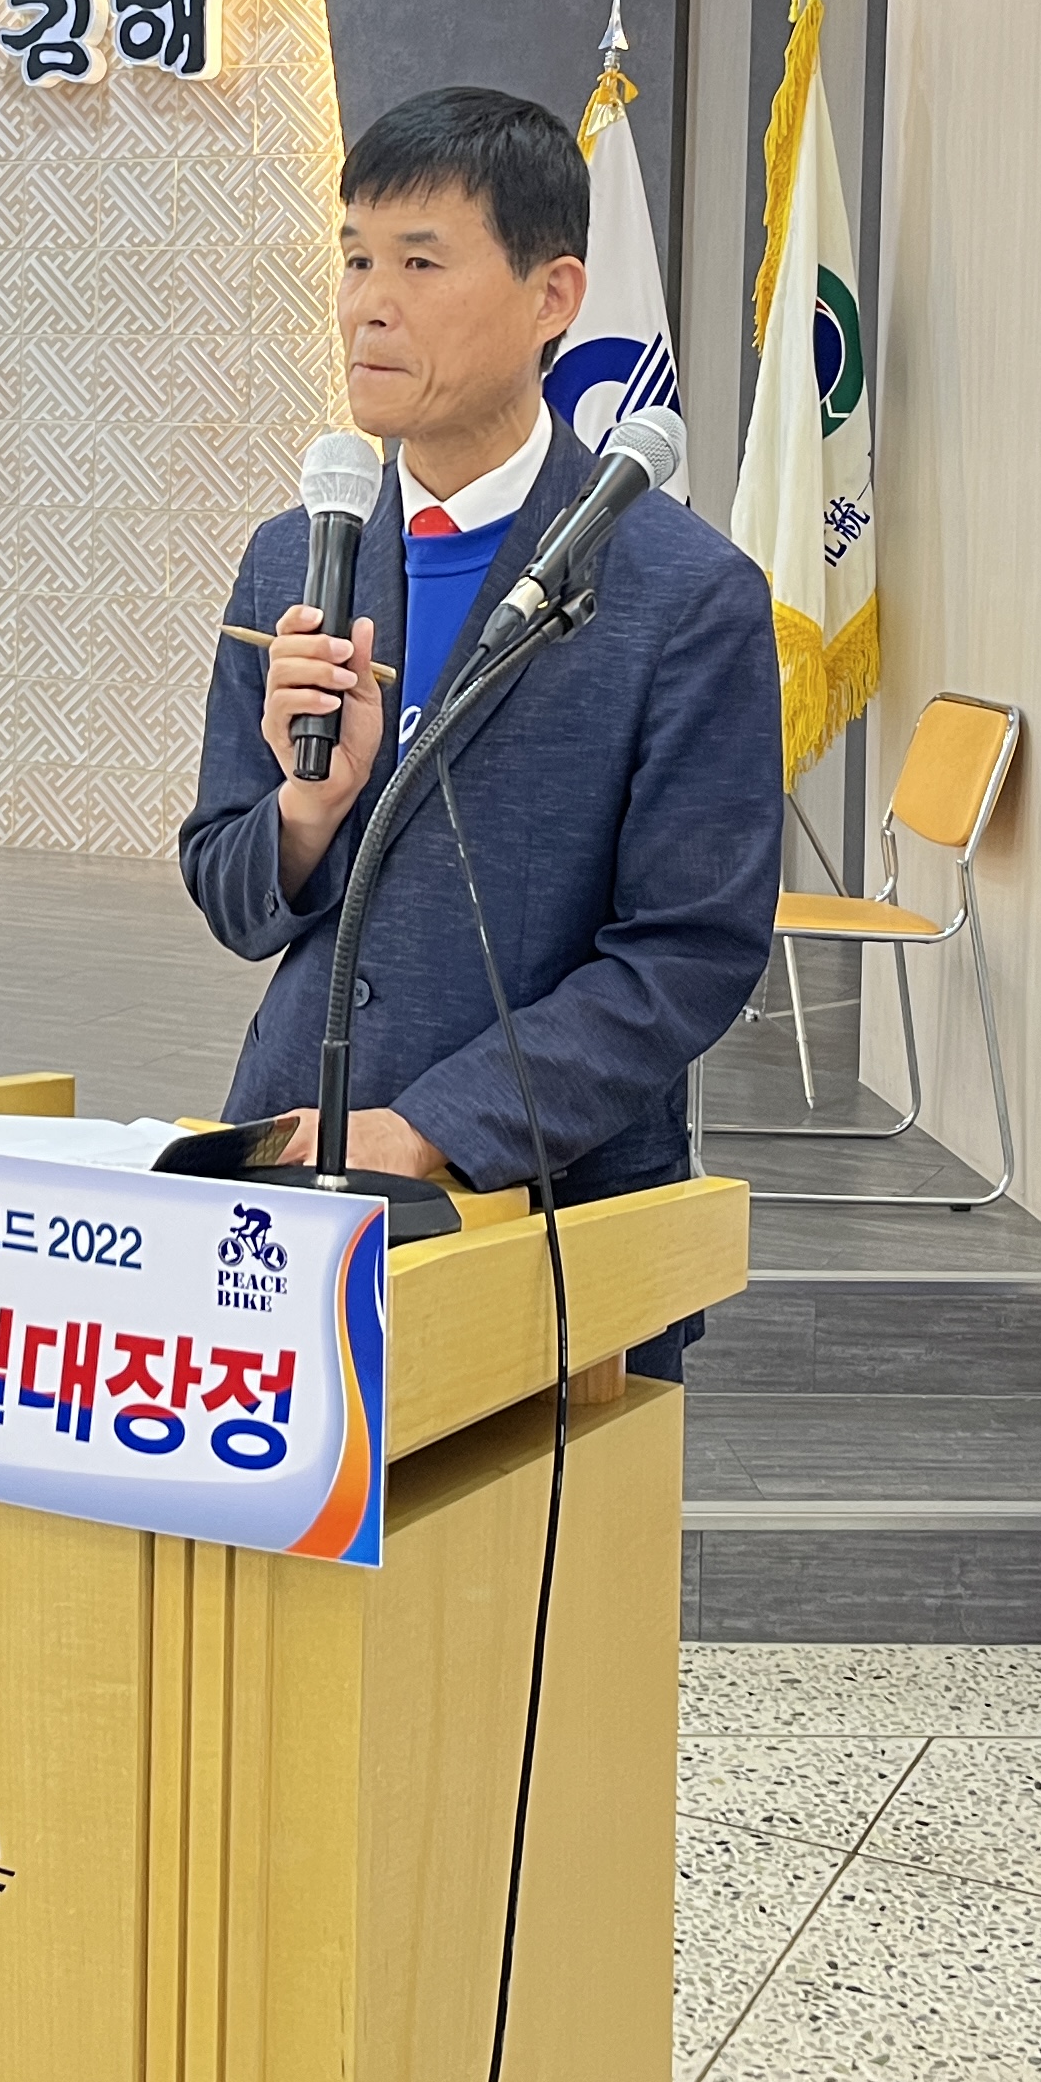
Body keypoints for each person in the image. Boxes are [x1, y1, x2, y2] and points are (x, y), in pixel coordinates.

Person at [177, 85, 784, 1376]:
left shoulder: (684, 592)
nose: (368, 304)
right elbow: (229, 892)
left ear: (553, 296)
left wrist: (437, 1126)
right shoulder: (296, 556)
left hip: (548, 1213)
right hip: (287, 1176)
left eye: (419, 262)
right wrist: (306, 809)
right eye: (354, 259)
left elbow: (689, 952)